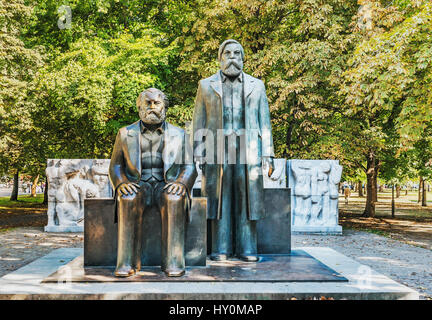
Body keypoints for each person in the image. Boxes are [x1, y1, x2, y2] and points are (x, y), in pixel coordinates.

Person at [192, 39, 280, 262]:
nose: (232, 57)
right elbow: (199, 121)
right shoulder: (206, 85)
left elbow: (264, 121)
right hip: (216, 147)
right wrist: (198, 152)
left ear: (242, 58)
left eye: (237, 53)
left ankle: (247, 248)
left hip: (249, 148)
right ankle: (219, 249)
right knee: (219, 198)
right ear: (220, 58)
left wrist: (268, 152)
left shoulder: (257, 85)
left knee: (247, 199)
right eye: (227, 53)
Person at [109, 88, 197, 277]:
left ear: (164, 106)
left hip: (166, 184)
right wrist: (122, 182)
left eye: (156, 103)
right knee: (128, 197)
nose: (152, 107)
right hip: (138, 184)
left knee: (174, 198)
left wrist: (181, 184)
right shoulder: (125, 133)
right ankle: (126, 262)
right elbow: (115, 166)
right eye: (147, 103)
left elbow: (189, 167)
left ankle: (173, 262)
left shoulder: (179, 134)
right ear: (139, 106)